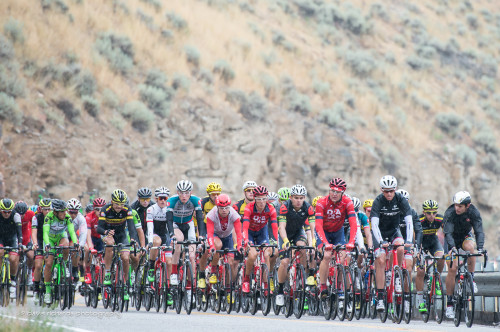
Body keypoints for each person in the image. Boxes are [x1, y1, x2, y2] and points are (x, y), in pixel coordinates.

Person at [370, 175, 413, 312]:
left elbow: (409, 222)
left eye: (391, 191)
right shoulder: (378, 201)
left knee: (400, 247)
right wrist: (381, 241)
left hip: (394, 231)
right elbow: (374, 225)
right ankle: (381, 298)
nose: (389, 194)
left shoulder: (401, 199)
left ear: (395, 190)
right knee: (381, 261)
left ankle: (398, 274)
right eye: (386, 191)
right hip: (380, 233)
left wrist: (409, 241)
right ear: (382, 191)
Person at [315, 178, 357, 305]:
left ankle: (339, 287)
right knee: (327, 256)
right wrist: (325, 243)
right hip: (324, 232)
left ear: (343, 193)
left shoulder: (347, 202)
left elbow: (353, 224)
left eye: (337, 192)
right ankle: (323, 286)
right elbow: (318, 225)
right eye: (332, 191)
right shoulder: (321, 202)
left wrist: (351, 242)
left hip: (338, 233)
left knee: (343, 258)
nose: (334, 194)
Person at [444, 191, 485, 319]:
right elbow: (448, 234)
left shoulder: (473, 212)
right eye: (456, 205)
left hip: (465, 237)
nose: (457, 208)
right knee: (453, 268)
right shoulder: (450, 213)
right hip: (451, 240)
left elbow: (478, 230)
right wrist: (452, 248)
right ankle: (449, 304)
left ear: (468, 205)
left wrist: (481, 247)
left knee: (471, 249)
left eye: (460, 206)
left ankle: (471, 278)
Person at [275, 184, 315, 306]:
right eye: (296, 198)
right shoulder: (284, 207)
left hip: (298, 232)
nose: (299, 201)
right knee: (285, 262)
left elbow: (313, 227)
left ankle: (300, 275)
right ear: (291, 197)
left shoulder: (308, 208)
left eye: (301, 198)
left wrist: (313, 242)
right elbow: (281, 227)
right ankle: (280, 291)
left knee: (302, 246)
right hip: (285, 234)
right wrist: (285, 240)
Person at [97, 189, 139, 302]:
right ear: (111, 202)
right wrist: (106, 232)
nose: (119, 206)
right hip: (108, 233)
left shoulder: (127, 209)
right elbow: (99, 228)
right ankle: (107, 272)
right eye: (116, 204)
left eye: (121, 204)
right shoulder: (105, 209)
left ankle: (125, 285)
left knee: (125, 258)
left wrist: (133, 239)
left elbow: (131, 227)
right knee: (110, 244)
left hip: (121, 235)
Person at [166, 180, 204, 286]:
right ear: (177, 193)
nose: (184, 196)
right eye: (181, 193)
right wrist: (172, 234)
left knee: (192, 256)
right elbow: (168, 220)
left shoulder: (196, 200)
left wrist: (201, 236)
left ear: (190, 193)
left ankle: (191, 284)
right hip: (175, 224)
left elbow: (200, 219)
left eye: (186, 193)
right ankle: (173, 273)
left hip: (188, 224)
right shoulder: (172, 201)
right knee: (179, 240)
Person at [241, 185, 278, 293]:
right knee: (253, 255)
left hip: (262, 232)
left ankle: (265, 284)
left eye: (263, 198)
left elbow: (275, 227)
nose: (261, 202)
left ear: (267, 198)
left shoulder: (271, 208)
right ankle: (246, 279)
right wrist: (246, 240)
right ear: (254, 199)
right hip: (250, 232)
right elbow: (245, 226)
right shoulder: (249, 207)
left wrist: (276, 241)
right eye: (258, 199)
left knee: (267, 254)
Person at [42, 199, 78, 304]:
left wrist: (75, 242)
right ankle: (48, 292)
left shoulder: (67, 217)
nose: (64, 213)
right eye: (62, 211)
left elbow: (71, 231)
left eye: (65, 211)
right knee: (48, 263)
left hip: (61, 237)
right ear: (55, 212)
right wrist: (47, 244)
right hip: (50, 239)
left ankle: (65, 265)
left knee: (66, 244)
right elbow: (45, 233)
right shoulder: (49, 217)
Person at [203, 194, 243, 286]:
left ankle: (228, 289)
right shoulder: (211, 214)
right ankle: (213, 271)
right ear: (217, 207)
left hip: (227, 236)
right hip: (215, 235)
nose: (224, 210)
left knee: (230, 262)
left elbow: (238, 233)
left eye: (226, 208)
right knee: (217, 245)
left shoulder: (234, 215)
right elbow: (209, 233)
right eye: (221, 208)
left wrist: (239, 245)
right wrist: (212, 246)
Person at [415, 199, 445, 313]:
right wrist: (417, 250)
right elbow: (415, 236)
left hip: (433, 242)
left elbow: (447, 233)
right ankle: (420, 299)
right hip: (421, 243)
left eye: (434, 213)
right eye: (428, 213)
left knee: (441, 257)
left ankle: (436, 278)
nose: (431, 216)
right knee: (421, 271)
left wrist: (449, 249)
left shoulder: (440, 219)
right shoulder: (419, 220)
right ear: (424, 212)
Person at [146, 186, 172, 291]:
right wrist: (150, 242)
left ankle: (168, 287)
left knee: (169, 262)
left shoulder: (170, 209)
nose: (162, 200)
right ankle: (151, 266)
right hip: (154, 233)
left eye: (165, 198)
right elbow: (150, 227)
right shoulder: (151, 209)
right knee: (157, 241)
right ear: (156, 198)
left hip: (165, 234)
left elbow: (171, 226)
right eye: (160, 198)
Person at [0, 198, 23, 299]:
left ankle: (13, 280)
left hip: (12, 238)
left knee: (13, 259)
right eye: (4, 212)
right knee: (0, 252)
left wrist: (20, 243)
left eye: (9, 212)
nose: (6, 214)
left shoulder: (16, 215)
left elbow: (19, 231)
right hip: (1, 238)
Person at [31, 198, 52, 299]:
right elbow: (34, 232)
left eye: (49, 209)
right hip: (39, 240)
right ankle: (35, 288)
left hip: (50, 241)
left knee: (51, 263)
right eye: (45, 209)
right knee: (38, 265)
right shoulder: (36, 218)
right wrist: (35, 243)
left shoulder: (54, 217)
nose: (47, 211)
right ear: (41, 209)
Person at [84, 197, 106, 285]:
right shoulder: (89, 217)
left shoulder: (107, 216)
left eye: (102, 209)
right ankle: (87, 271)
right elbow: (87, 233)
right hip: (91, 237)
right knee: (87, 250)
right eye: (97, 209)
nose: (100, 211)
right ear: (94, 209)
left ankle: (101, 281)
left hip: (101, 238)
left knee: (101, 261)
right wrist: (90, 247)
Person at [14, 201, 35, 290]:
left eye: (23, 214)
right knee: (15, 257)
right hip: (16, 237)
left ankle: (30, 272)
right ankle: (14, 277)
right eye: (19, 214)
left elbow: (35, 227)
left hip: (26, 238)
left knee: (31, 255)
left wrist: (34, 242)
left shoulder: (30, 214)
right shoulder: (13, 214)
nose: (21, 216)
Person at [67, 198, 88, 283]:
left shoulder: (80, 218)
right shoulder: (63, 215)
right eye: (71, 212)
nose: (73, 214)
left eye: (75, 212)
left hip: (72, 238)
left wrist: (81, 245)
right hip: (60, 237)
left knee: (76, 249)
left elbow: (83, 232)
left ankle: (75, 269)